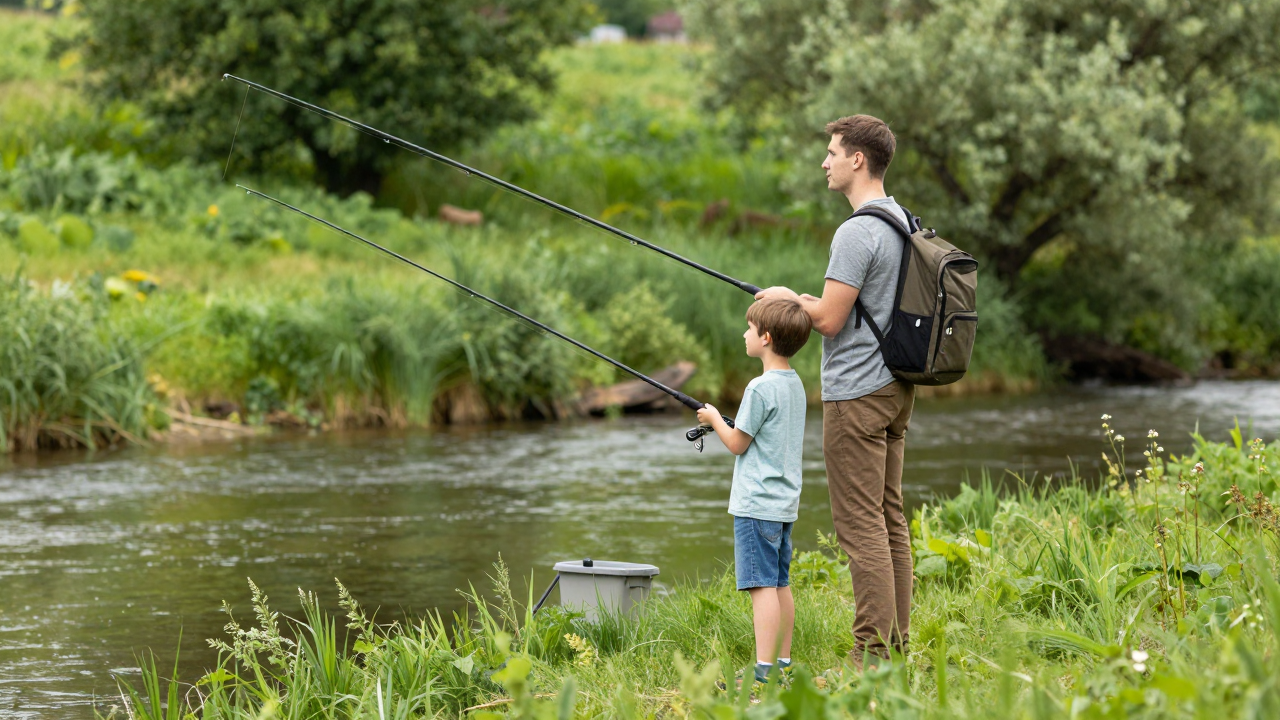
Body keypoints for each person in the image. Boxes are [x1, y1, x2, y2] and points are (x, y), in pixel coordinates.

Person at [754, 114, 915, 669]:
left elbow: (827, 320)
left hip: (857, 393)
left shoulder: (856, 231)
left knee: (861, 525)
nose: (825, 162)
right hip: (896, 388)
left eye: (832, 152)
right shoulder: (901, 220)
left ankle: (871, 655)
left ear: (857, 160)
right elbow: (850, 306)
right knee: (890, 519)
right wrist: (802, 298)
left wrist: (786, 298)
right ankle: (895, 647)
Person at [697, 298, 812, 684]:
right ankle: (783, 662)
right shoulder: (795, 384)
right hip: (783, 504)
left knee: (761, 587)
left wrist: (714, 418)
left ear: (765, 338)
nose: (743, 334)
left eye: (749, 328)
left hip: (756, 505)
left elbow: (737, 444)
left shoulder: (759, 388)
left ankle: (762, 672)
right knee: (779, 583)